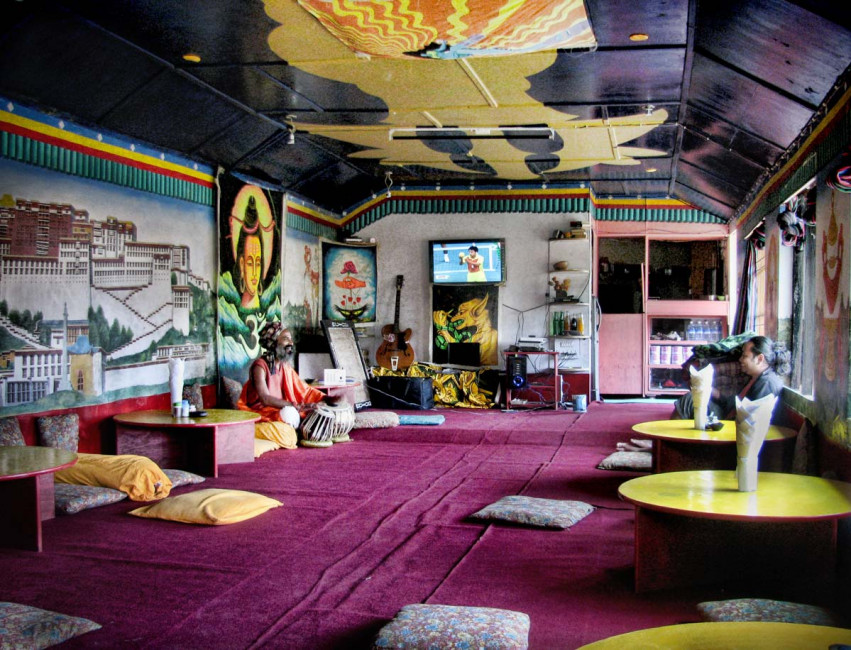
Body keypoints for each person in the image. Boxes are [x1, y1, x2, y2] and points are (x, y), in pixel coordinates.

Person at [237, 322, 332, 449]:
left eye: (291, 339)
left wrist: (326, 399)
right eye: (286, 339)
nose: (291, 343)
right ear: (273, 341)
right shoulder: (259, 366)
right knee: (290, 414)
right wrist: (294, 405)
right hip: (261, 414)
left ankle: (293, 431)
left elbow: (304, 390)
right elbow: (265, 398)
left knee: (315, 410)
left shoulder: (284, 367)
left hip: (279, 412)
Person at [672, 335, 791, 421]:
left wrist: (719, 423)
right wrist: (711, 391)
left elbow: (747, 419)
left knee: (689, 402)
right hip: (728, 412)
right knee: (692, 398)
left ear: (759, 359)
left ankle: (670, 444)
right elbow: (735, 402)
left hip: (734, 425)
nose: (740, 360)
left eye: (744, 356)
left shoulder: (767, 383)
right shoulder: (755, 377)